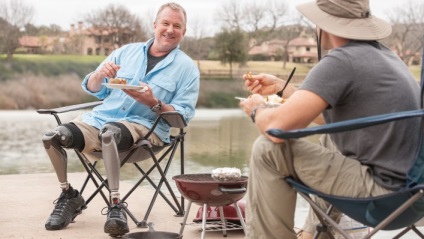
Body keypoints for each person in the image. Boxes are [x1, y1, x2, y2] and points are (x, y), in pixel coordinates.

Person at [239, 0, 421, 238]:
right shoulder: (386, 56)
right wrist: (283, 88)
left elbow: (275, 128)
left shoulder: (342, 60)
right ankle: (316, 234)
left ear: (325, 24)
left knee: (267, 149)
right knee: (330, 137)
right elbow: (334, 120)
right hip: (413, 197)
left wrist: (257, 109)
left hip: (384, 198)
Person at [42, 2, 199, 237]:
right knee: (54, 136)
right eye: (165, 23)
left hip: (145, 130)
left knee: (110, 133)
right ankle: (68, 195)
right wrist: (99, 75)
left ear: (184, 32)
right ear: (155, 25)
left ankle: (115, 205)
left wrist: (152, 102)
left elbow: (181, 119)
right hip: (99, 120)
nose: (170, 29)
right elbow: (95, 88)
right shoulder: (126, 52)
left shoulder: (187, 68)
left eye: (177, 26)